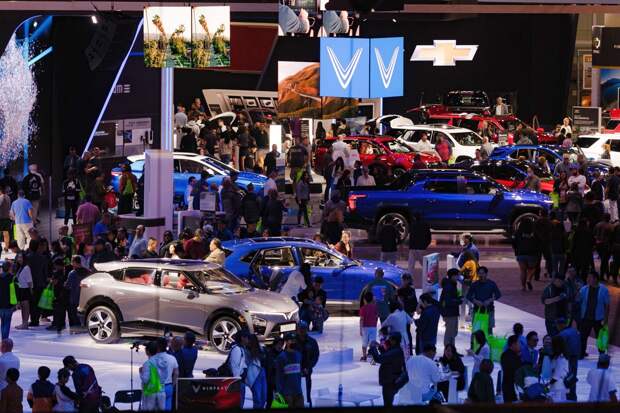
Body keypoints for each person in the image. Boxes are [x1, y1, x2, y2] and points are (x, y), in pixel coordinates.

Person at [368, 332, 405, 407]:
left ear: (394, 341)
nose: (388, 341)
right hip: (390, 379)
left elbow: (379, 359)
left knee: (387, 403)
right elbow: (386, 354)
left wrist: (373, 347)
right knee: (388, 402)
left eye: (390, 339)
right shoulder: (395, 349)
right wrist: (379, 346)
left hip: (390, 381)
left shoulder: (395, 351)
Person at [578, 271, 609, 359]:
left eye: (590, 277)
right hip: (585, 318)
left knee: (600, 338)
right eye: (587, 277)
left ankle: (602, 355)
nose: (587, 279)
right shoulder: (584, 289)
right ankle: (581, 353)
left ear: (595, 279)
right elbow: (578, 300)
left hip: (598, 319)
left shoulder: (604, 290)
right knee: (583, 337)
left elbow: (607, 305)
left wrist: (605, 319)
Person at [466, 267, 501, 335]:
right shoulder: (474, 284)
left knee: (489, 330)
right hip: (477, 310)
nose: (481, 275)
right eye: (479, 273)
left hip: (489, 310)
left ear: (486, 274)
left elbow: (498, 294)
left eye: (482, 273)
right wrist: (475, 301)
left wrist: (490, 300)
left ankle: (488, 341)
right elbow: (468, 296)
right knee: (476, 330)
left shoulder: (491, 284)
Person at [275, 332, 304, 408]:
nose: (293, 342)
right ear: (286, 342)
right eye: (291, 340)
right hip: (286, 394)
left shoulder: (299, 355)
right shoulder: (281, 357)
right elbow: (278, 377)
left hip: (298, 392)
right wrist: (278, 393)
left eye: (295, 340)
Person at [512, 218, 540, 291]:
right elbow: (539, 242)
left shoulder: (518, 232)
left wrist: (516, 250)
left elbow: (514, 242)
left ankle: (523, 286)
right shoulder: (535, 232)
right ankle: (529, 279)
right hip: (532, 253)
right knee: (532, 268)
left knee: (523, 271)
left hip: (521, 253)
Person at [556, 318, 581, 401]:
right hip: (575, 356)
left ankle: (569, 394)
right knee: (572, 376)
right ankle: (572, 395)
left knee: (566, 377)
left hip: (567, 358)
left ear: (560, 325)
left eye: (557, 325)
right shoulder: (574, 331)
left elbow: (559, 348)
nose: (557, 327)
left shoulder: (562, 334)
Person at [152, 338, 179, 411]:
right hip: (168, 387)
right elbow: (176, 373)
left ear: (157, 346)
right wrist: (172, 385)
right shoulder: (172, 358)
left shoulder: (153, 359)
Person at [297, 322, 319, 407]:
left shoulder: (312, 342)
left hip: (307, 372)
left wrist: (308, 367)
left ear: (307, 329)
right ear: (297, 330)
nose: (302, 331)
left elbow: (315, 356)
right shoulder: (292, 341)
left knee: (307, 394)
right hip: (294, 373)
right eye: (300, 329)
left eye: (304, 329)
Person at [141, 341, 166, 410]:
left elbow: (145, 380)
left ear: (147, 351)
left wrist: (141, 373)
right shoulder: (162, 362)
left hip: (150, 392)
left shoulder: (148, 363)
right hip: (161, 391)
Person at [397, 273, 417, 356]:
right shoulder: (411, 290)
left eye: (403, 280)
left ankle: (405, 350)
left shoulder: (401, 290)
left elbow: (400, 302)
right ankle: (408, 351)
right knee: (407, 331)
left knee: (404, 332)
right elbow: (414, 301)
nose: (402, 281)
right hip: (409, 313)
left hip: (405, 313)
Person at [65, 256, 88, 328]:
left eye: (72, 262)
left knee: (75, 317)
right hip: (86, 298)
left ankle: (77, 328)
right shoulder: (88, 272)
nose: (71, 264)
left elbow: (67, 286)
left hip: (74, 298)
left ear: (75, 262)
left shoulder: (72, 273)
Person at [408, 213, 431, 279]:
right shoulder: (425, 225)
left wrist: (410, 245)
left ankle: (409, 279)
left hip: (413, 247)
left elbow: (411, 236)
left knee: (411, 265)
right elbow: (428, 237)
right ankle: (427, 278)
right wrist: (425, 245)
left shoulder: (412, 225)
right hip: (421, 247)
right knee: (424, 264)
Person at [500, 335, 523, 403]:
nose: (520, 346)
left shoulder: (515, 355)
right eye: (519, 343)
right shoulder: (506, 355)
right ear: (513, 344)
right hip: (510, 388)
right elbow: (511, 371)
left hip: (513, 387)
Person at [14, 253, 33, 330]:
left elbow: (29, 281)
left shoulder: (26, 268)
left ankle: (25, 324)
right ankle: (24, 323)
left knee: (26, 307)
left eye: (21, 257)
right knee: (23, 307)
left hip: (25, 289)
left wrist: (31, 291)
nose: (19, 259)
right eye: (18, 257)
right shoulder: (20, 267)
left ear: (24, 258)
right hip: (21, 289)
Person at [548, 336, 569, 402]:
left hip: (558, 387)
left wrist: (546, 384)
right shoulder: (558, 357)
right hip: (558, 386)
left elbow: (556, 376)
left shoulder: (560, 358)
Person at [359, 291, 378, 362]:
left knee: (364, 343)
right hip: (373, 327)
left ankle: (364, 357)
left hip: (365, 328)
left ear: (365, 300)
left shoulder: (363, 308)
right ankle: (374, 357)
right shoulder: (375, 307)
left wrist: (360, 329)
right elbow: (376, 317)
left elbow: (361, 319)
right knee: (372, 342)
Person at [0, 262, 15, 339]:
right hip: (9, 304)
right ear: (9, 268)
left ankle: (3, 338)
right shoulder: (12, 278)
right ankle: (5, 339)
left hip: (0, 304)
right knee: (7, 322)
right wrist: (16, 303)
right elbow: (15, 292)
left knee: (2, 322)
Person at [0, 187, 12, 253]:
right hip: (7, 218)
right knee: (6, 233)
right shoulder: (8, 197)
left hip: (1, 218)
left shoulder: (1, 197)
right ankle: (6, 248)